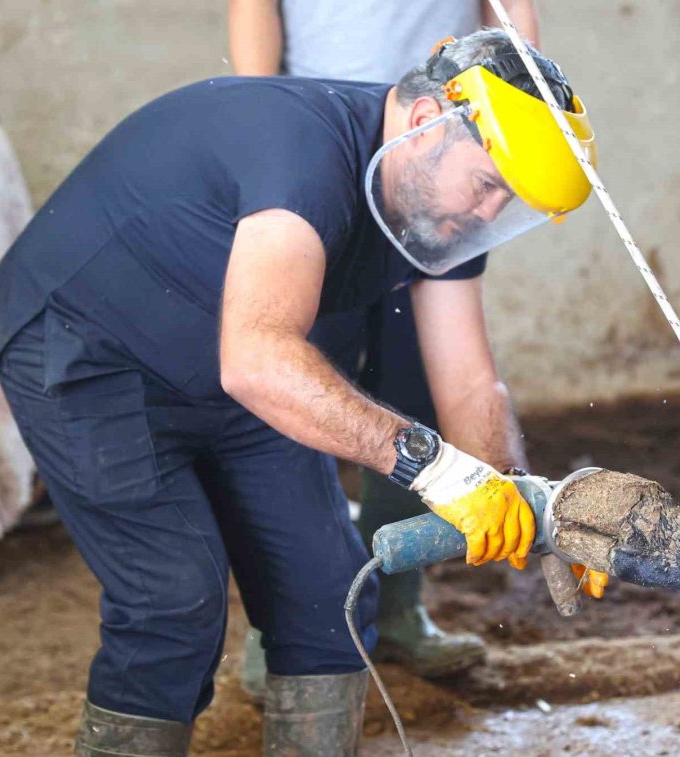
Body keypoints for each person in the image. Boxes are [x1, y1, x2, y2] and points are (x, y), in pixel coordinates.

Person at [0, 28, 596, 756]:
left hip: (230, 367)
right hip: (89, 350)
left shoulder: (439, 207)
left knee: (329, 591)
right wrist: (433, 466)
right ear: (429, 122)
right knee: (173, 598)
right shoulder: (306, 153)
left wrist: (523, 498)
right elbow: (257, 360)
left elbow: (467, 378)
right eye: (488, 185)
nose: (489, 213)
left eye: (510, 200)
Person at [227, 0, 540, 689]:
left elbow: (513, 14)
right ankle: (281, 627)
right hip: (330, 150)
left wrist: (517, 121)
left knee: (416, 393)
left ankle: (398, 609)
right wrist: (265, 122)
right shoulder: (301, 161)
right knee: (293, 401)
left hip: (454, 152)